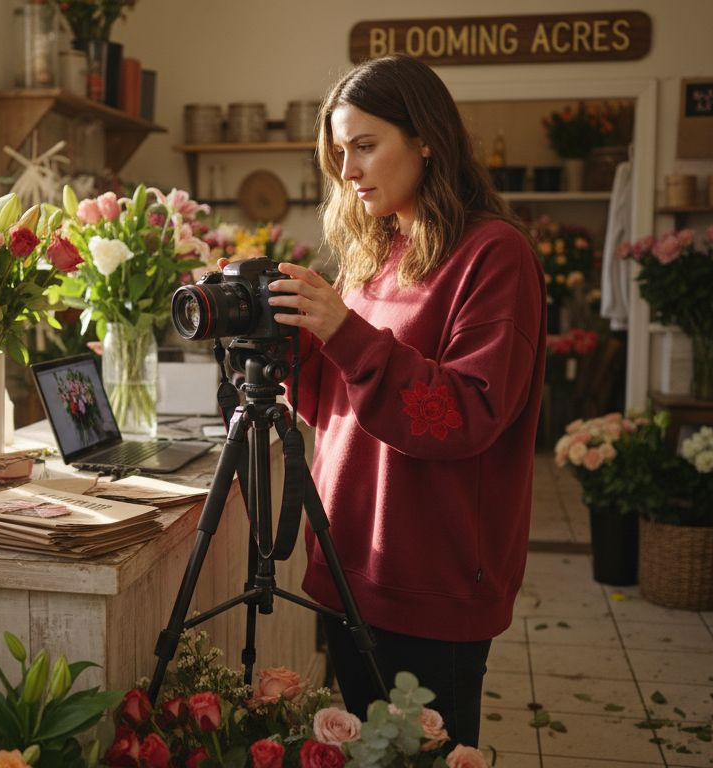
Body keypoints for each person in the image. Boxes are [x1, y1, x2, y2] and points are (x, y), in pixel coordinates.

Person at [262, 54, 546, 745]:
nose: (349, 169)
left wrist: (344, 333)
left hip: (430, 580)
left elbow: (463, 415)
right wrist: (279, 344)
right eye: (339, 152)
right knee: (363, 755)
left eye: (366, 145)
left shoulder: (493, 255)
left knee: (419, 757)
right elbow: (338, 401)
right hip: (346, 562)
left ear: (425, 138)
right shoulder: (377, 253)